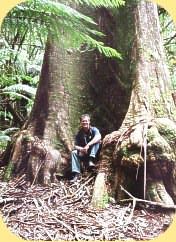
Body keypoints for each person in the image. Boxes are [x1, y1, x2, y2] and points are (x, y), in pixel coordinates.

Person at [70, 114, 101, 182]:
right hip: (85, 152)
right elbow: (75, 145)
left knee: (97, 141)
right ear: (81, 122)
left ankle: (91, 160)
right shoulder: (79, 133)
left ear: (89, 122)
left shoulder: (94, 129)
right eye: (83, 121)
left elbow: (98, 137)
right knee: (74, 153)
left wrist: (88, 145)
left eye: (86, 121)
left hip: (95, 153)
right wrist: (82, 149)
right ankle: (76, 174)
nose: (85, 122)